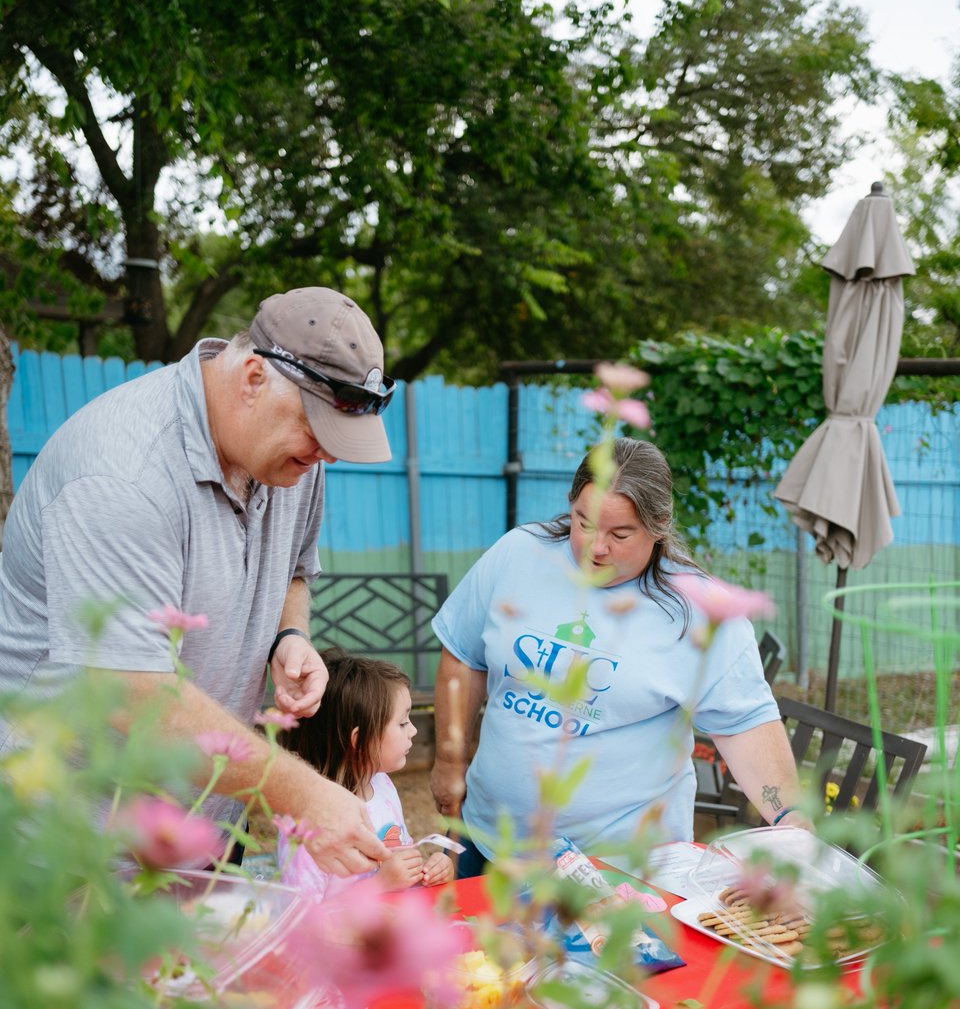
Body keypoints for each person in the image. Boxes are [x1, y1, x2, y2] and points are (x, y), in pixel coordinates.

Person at [0, 286, 397, 878]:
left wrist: (289, 636)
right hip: (67, 839)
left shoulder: (293, 459)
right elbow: (134, 693)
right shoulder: (121, 476)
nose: (326, 457)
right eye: (318, 431)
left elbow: (292, 567)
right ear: (255, 377)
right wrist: (307, 795)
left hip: (198, 821)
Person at [430, 437, 806, 878]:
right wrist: (449, 762)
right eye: (582, 522)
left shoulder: (699, 612)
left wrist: (793, 827)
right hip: (489, 839)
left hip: (618, 871)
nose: (595, 547)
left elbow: (746, 727)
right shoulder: (518, 554)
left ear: (659, 525)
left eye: (619, 533)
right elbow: (462, 656)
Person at [278, 648, 456, 898]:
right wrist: (378, 885)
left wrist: (427, 871)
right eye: (403, 722)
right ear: (360, 740)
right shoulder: (309, 824)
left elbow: (396, 855)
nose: (413, 731)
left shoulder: (381, 784)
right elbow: (299, 917)